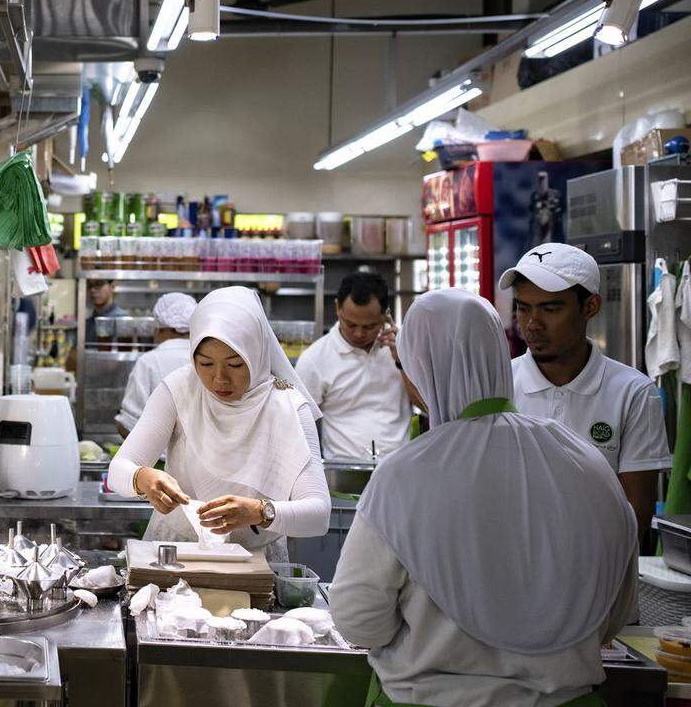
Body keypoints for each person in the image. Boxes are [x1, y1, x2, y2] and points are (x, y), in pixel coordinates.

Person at [330, 289, 637, 707]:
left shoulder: (404, 475)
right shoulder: (584, 460)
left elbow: (359, 621)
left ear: (422, 368)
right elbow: (612, 613)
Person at [106, 286, 330, 559]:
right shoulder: (180, 390)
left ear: (258, 354)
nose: (219, 379)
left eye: (235, 365)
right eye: (205, 364)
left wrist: (260, 512)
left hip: (255, 561)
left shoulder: (287, 405)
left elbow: (319, 513)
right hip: (176, 552)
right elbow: (118, 470)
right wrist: (142, 478)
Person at [501, 243, 669, 541]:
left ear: (590, 306)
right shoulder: (498, 386)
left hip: (600, 581)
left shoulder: (633, 393)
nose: (532, 324)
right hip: (512, 578)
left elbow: (635, 518)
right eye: (523, 307)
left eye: (550, 309)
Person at [295, 271, 413, 460]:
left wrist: (402, 361)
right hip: (342, 472)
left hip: (399, 467)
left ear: (385, 315)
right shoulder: (315, 359)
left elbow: (428, 407)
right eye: (350, 324)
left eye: (369, 326)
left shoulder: (405, 348)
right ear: (337, 309)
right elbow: (297, 425)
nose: (359, 334)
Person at [115, 293, 196, 437]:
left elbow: (129, 423)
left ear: (160, 327)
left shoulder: (149, 361)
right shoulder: (206, 358)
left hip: (158, 458)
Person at [67, 279, 128, 373]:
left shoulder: (121, 319)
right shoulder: (87, 323)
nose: (93, 290)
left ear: (112, 287)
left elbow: (116, 363)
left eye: (98, 284)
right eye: (90, 286)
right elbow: (72, 359)